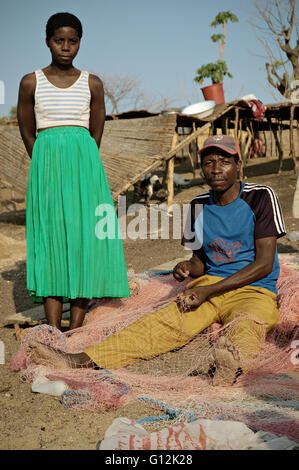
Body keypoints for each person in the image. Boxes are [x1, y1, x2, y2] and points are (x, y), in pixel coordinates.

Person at [27, 135, 286, 386]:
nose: (216, 169)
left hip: (254, 290)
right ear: (203, 169)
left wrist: (208, 290)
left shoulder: (260, 196)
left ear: (238, 165)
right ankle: (81, 360)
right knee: (157, 325)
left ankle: (231, 366)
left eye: (224, 161)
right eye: (209, 163)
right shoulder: (197, 205)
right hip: (209, 288)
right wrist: (185, 268)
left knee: (247, 324)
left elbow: (264, 263)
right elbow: (201, 262)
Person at [17, 12, 130, 331]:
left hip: (85, 168)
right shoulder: (31, 81)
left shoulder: (92, 82)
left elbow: (96, 131)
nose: (65, 47)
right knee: (51, 238)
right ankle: (53, 328)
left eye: (72, 41)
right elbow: (26, 128)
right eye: (58, 40)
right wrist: (43, 160)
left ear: (80, 42)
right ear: (47, 42)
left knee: (84, 238)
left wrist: (83, 162)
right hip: (47, 168)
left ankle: (76, 325)